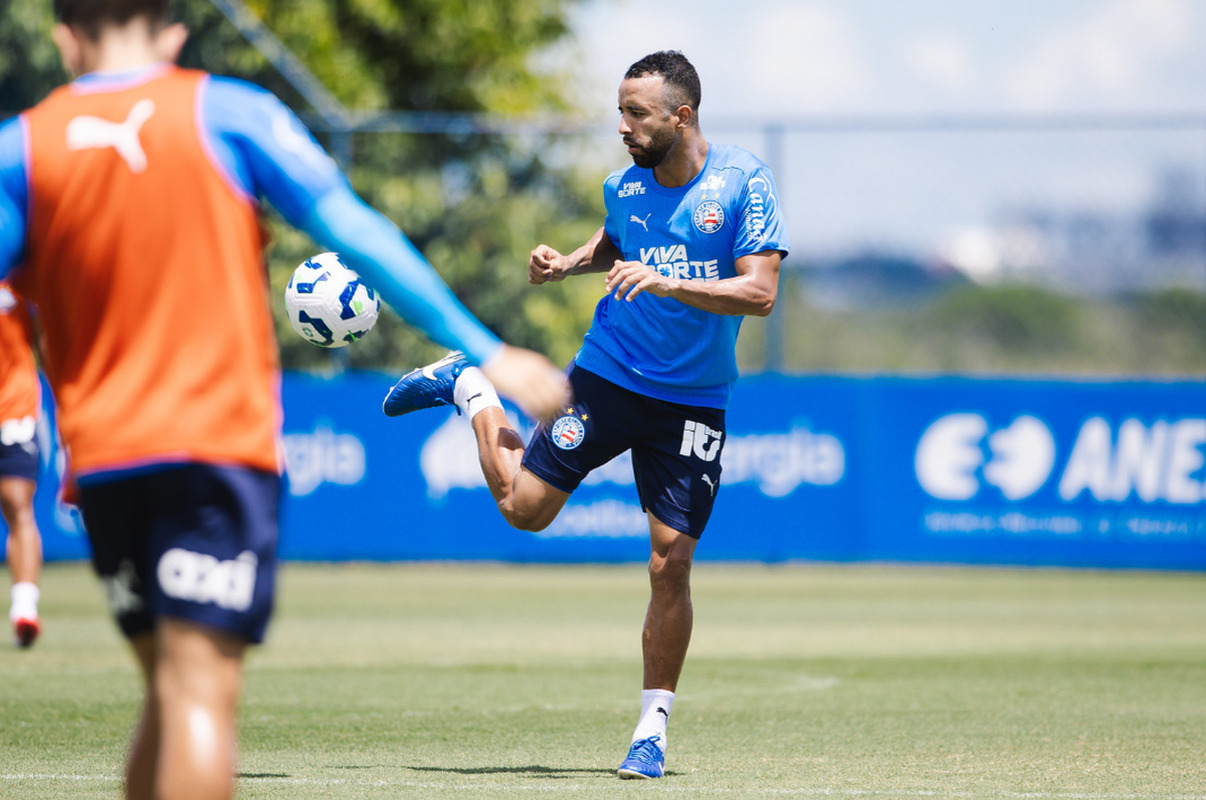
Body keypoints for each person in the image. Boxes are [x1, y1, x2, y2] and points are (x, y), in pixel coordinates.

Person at [0, 2, 565, 798]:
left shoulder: (21, 148)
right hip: (214, 447)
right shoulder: (231, 114)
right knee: (198, 692)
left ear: (62, 36)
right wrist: (489, 348)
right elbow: (360, 232)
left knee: (168, 686)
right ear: (173, 31)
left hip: (105, 460)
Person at [383, 50, 790, 779]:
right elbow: (621, 239)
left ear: (682, 116)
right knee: (523, 509)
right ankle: (470, 388)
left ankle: (652, 731)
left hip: (693, 401)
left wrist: (666, 283)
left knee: (672, 562)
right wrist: (570, 263)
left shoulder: (742, 183)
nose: (624, 127)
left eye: (637, 114)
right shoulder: (623, 186)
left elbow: (759, 293)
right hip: (606, 376)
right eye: (621, 112)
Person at [0, 282, 43, 648]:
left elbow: (48, 333)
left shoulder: (17, 271)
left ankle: (24, 609)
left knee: (17, 502)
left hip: (13, 411)